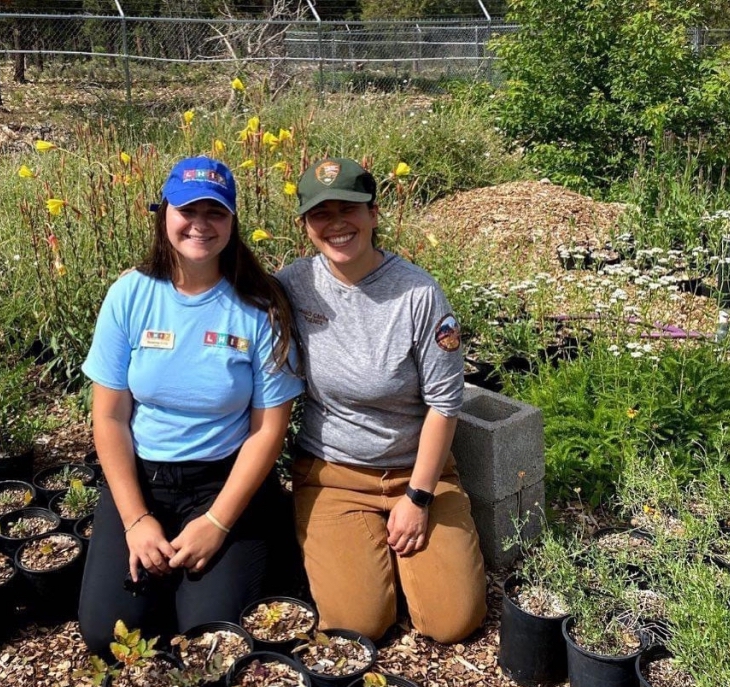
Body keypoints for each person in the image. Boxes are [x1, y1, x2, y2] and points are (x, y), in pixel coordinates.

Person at [77, 156, 303, 653]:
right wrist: (136, 520)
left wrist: (218, 523)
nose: (200, 225)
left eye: (215, 213)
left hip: (222, 482)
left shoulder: (260, 307)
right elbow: (110, 418)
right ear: (164, 215)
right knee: (107, 635)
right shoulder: (130, 295)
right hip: (145, 479)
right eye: (187, 210)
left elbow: (268, 430)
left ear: (232, 222)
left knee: (210, 640)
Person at [276, 158, 487, 644]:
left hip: (418, 473)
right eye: (320, 213)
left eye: (348, 208)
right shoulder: (293, 285)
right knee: (359, 626)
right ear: (305, 226)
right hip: (335, 475)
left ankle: (405, 552)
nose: (336, 224)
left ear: (373, 214)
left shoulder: (417, 294)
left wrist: (417, 498)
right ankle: (367, 554)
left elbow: (443, 403)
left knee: (452, 623)